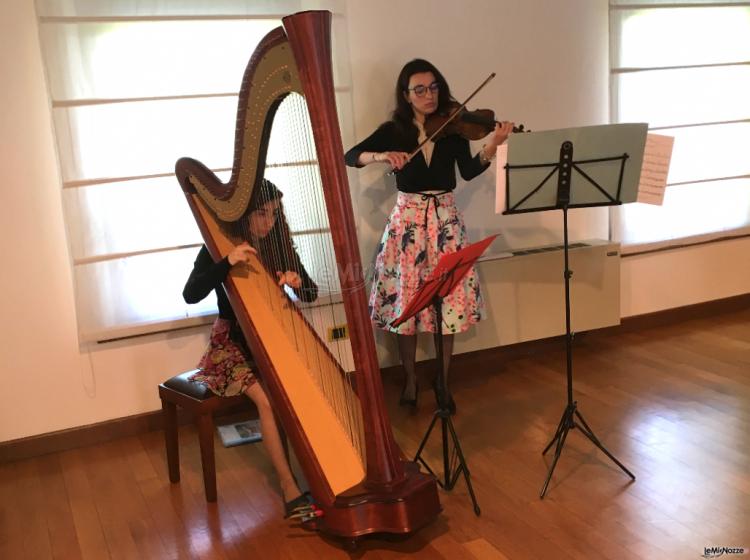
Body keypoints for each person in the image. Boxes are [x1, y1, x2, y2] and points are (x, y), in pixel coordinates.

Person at [344, 59, 513, 413]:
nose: (429, 95)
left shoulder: (454, 127)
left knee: (446, 304)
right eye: (419, 89)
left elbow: (467, 172)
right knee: (408, 306)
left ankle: (443, 380)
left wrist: (494, 143)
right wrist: (382, 155)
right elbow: (350, 156)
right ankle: (409, 379)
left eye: (434, 87)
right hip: (407, 225)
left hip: (446, 223)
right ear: (406, 95)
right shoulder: (394, 130)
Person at [183, 178, 317, 514]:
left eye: (274, 214)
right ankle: (289, 488)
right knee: (270, 402)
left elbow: (312, 293)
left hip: (272, 343)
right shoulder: (217, 246)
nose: (268, 222)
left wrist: (297, 283)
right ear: (243, 214)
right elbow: (191, 293)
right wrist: (226, 262)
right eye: (261, 214)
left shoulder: (278, 245)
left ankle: (320, 473)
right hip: (231, 344)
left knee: (303, 391)